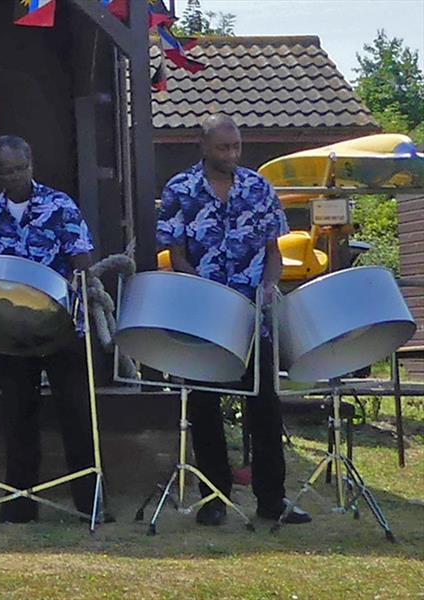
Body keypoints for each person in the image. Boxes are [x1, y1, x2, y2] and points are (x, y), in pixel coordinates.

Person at [156, 114, 312, 526]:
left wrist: (267, 287)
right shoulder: (180, 190)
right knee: (205, 409)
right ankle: (214, 498)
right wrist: (203, 294)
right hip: (206, 317)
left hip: (252, 317)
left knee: (265, 407)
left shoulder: (259, 188)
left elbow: (273, 250)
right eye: (224, 147)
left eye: (237, 147)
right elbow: (177, 254)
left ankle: (271, 500)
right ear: (203, 146)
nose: (232, 154)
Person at [0, 135, 109, 524]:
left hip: (60, 325)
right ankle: (20, 503)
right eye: (7, 171)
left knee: (76, 413)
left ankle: (91, 502)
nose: (15, 177)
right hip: (11, 329)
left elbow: (81, 259)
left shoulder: (60, 206)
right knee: (18, 414)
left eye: (20, 168)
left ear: (32, 166)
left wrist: (71, 298)